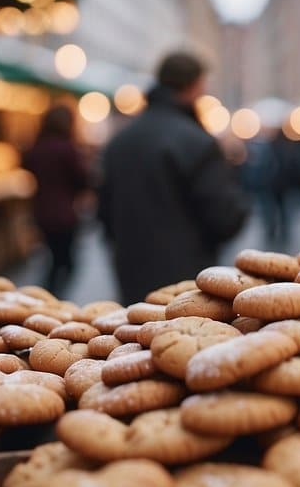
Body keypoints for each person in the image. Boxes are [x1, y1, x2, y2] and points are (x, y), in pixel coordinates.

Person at [98, 52, 249, 304]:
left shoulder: (119, 141)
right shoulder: (196, 141)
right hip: (184, 281)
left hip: (130, 272)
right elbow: (225, 217)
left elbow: (103, 213)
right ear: (193, 86)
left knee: (133, 340)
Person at [22, 106, 89, 297]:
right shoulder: (67, 149)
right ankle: (50, 298)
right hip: (64, 214)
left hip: (41, 212)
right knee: (66, 263)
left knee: (52, 259)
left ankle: (46, 296)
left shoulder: (36, 148)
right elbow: (82, 180)